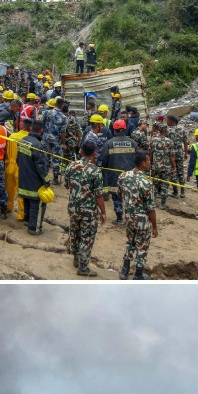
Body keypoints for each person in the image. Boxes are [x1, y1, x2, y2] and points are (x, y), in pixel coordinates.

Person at [65, 139, 106, 276]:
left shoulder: (71, 166)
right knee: (86, 238)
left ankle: (76, 258)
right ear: (94, 153)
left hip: (73, 208)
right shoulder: (95, 171)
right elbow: (99, 195)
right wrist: (103, 212)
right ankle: (83, 268)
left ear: (81, 151)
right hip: (88, 211)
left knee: (75, 234)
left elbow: (66, 185)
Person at [118, 151, 157, 280]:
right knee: (142, 246)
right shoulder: (146, 183)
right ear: (143, 163)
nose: (149, 162)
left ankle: (125, 271)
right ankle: (138, 275)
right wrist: (155, 226)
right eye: (148, 160)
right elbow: (151, 208)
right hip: (142, 221)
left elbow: (119, 194)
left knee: (130, 242)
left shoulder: (123, 176)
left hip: (128, 218)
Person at [17, 119, 52, 235]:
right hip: (34, 182)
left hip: (23, 178)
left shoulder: (22, 140)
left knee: (27, 201)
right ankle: (34, 228)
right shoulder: (38, 146)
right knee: (37, 204)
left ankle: (28, 221)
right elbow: (41, 167)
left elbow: (18, 159)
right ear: (41, 130)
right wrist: (46, 181)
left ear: (31, 128)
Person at [102, 119, 137, 224]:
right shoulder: (133, 143)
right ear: (125, 130)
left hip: (114, 175)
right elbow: (137, 159)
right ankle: (130, 218)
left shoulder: (108, 143)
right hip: (130, 175)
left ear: (114, 130)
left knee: (117, 196)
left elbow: (104, 160)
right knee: (129, 196)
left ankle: (119, 218)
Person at [39, 98, 68, 186]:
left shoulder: (46, 113)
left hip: (45, 139)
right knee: (56, 159)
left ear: (55, 104)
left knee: (45, 159)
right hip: (56, 141)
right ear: (62, 106)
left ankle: (45, 178)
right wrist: (63, 143)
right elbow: (63, 132)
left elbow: (41, 124)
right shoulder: (64, 117)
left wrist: (41, 135)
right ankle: (55, 179)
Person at [147, 121, 174, 209]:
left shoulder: (153, 140)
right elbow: (171, 156)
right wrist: (174, 166)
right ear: (165, 130)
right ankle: (162, 204)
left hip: (156, 166)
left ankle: (153, 202)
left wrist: (150, 164)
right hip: (166, 167)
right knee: (165, 185)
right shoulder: (169, 142)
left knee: (154, 185)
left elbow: (150, 154)